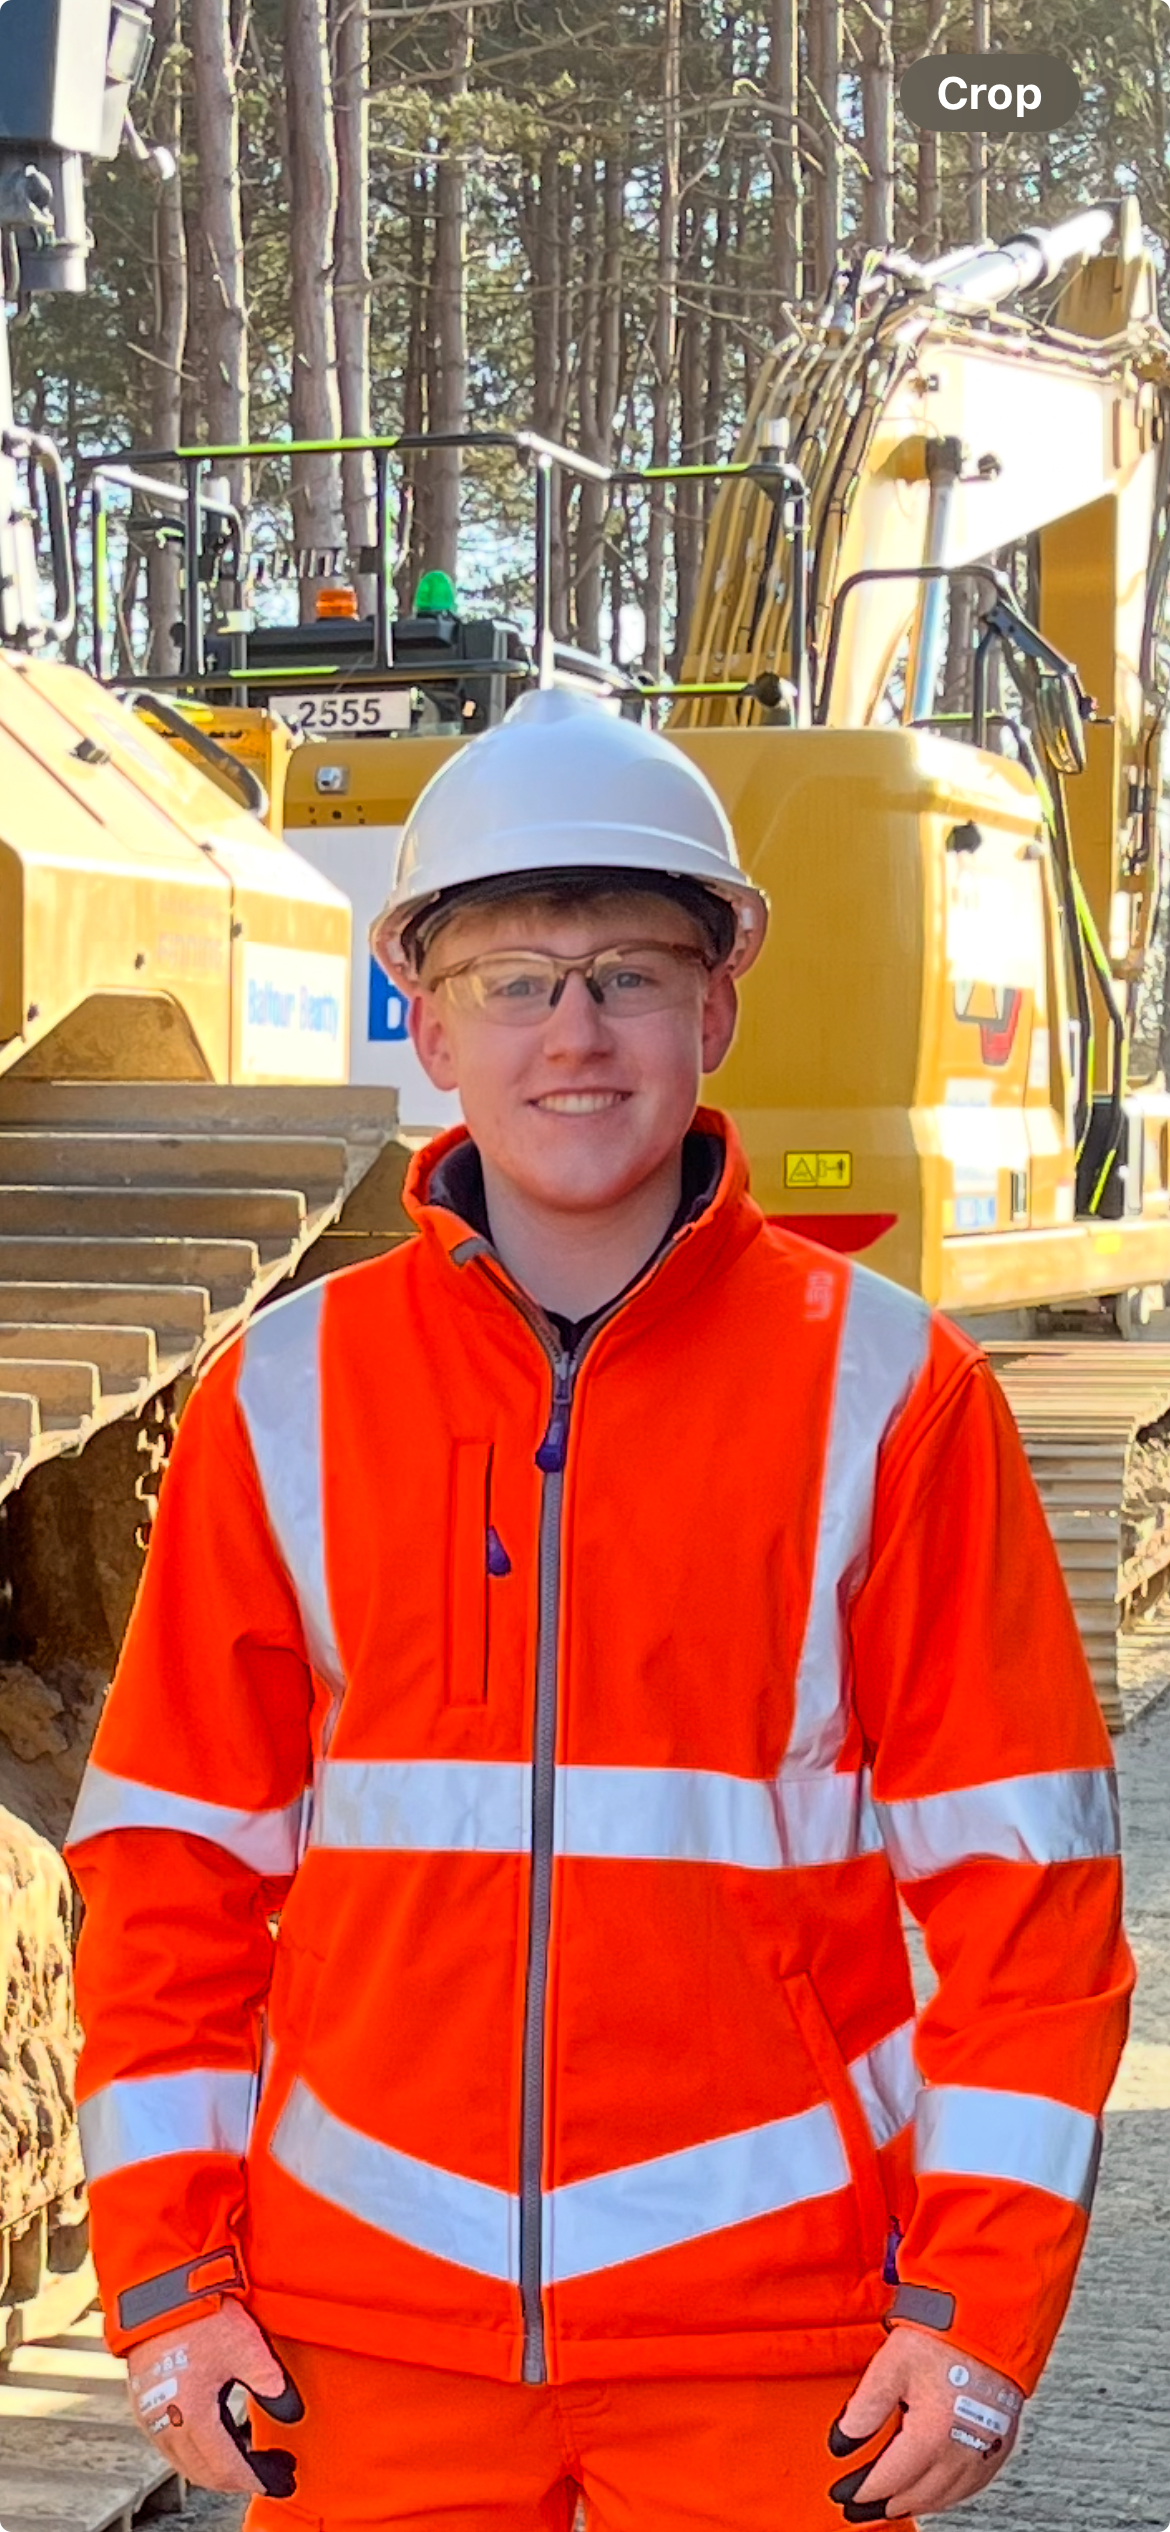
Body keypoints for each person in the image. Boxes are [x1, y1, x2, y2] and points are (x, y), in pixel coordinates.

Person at [66, 686, 1131, 2532]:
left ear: (715, 1007)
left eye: (629, 973)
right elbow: (171, 1872)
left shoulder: (889, 1390)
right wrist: (167, 2277)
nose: (575, 1033)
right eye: (514, 978)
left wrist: (974, 2312)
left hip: (775, 2343)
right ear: (428, 1014)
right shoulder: (285, 1394)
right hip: (363, 2341)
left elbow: (1024, 1897)